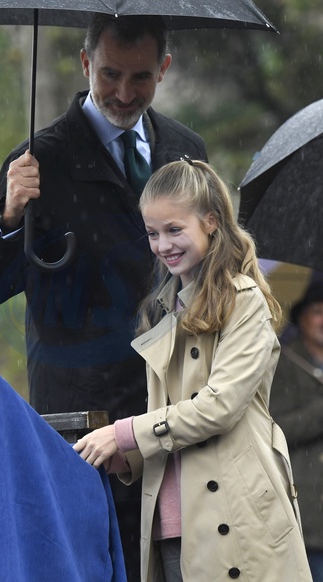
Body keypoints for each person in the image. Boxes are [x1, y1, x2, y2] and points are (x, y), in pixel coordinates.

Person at [0, 13, 207, 579]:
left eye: (140, 77)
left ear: (164, 69)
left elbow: (205, 268)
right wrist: (8, 215)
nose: (123, 93)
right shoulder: (37, 160)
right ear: (84, 64)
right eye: (110, 75)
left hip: (172, 410)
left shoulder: (185, 150)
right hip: (82, 422)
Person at [73, 159, 312, 582]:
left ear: (211, 222)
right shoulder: (163, 309)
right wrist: (123, 455)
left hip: (236, 520)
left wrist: (124, 433)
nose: (163, 245)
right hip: (171, 526)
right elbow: (170, 416)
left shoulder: (245, 301)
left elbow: (218, 407)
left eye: (174, 229)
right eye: (152, 233)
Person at [269, 279, 323, 582]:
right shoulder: (282, 363)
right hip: (307, 509)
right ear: (301, 319)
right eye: (317, 311)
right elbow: (275, 429)